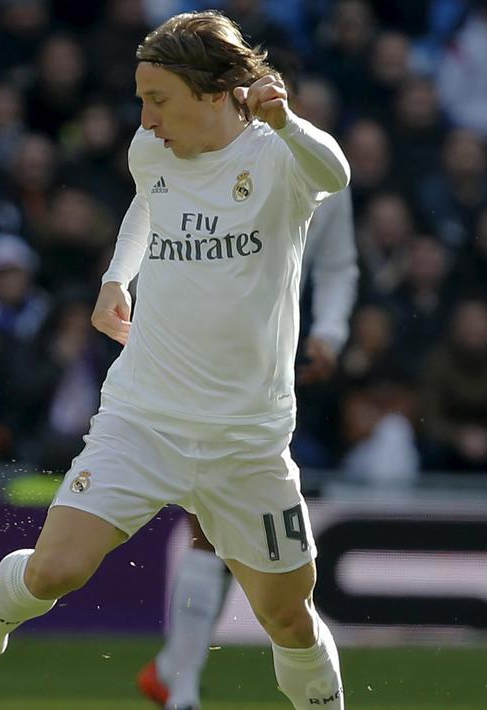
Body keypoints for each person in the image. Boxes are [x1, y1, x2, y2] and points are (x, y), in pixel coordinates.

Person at [0, 11, 349, 710]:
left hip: (246, 439)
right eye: (140, 100)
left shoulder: (277, 158)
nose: (145, 119)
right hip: (142, 415)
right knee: (55, 569)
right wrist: (116, 277)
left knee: (286, 617)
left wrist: (285, 119)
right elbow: (146, 204)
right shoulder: (152, 149)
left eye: (157, 100)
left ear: (214, 94)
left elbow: (333, 170)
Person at [136, 186, 358, 710]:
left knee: (240, 530)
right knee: (207, 525)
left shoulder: (321, 173)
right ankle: (181, 687)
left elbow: (338, 265)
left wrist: (329, 330)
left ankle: (173, 671)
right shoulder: (201, 158)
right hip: (200, 359)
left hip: (270, 369)